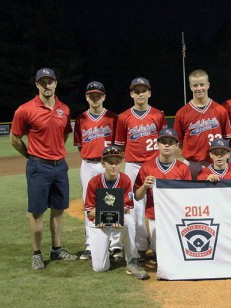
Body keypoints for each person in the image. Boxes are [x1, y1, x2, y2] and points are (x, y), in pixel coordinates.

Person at [10, 67, 77, 270]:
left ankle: (56, 249)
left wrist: (56, 151)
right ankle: (36, 253)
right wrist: (32, 156)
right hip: (38, 166)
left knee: (58, 210)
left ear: (56, 83)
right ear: (37, 84)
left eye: (50, 81)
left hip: (60, 166)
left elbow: (64, 134)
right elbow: (15, 139)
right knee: (37, 212)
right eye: (43, 82)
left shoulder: (64, 109)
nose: (47, 85)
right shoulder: (25, 109)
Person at [114, 77, 167, 260]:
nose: (140, 94)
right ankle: (140, 246)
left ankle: (158, 242)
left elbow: (164, 141)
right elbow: (120, 145)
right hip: (133, 165)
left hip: (154, 164)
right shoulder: (123, 117)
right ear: (131, 94)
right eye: (136, 91)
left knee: (157, 204)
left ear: (149, 93)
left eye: (143, 90)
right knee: (135, 206)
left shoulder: (158, 115)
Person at [84, 146, 149, 280]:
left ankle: (132, 260)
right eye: (110, 162)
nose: (114, 166)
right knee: (100, 268)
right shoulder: (94, 182)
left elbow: (126, 208)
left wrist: (114, 217)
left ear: (122, 163)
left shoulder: (125, 180)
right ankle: (103, 250)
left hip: (117, 220)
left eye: (117, 162)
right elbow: (89, 212)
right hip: (98, 223)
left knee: (129, 221)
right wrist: (102, 217)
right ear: (103, 163)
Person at [73, 81, 120, 261]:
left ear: (104, 97)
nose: (95, 98)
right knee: (89, 204)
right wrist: (89, 158)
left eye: (98, 95)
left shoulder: (113, 118)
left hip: (108, 164)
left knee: (112, 202)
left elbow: (119, 144)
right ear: (86, 97)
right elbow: (80, 146)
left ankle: (115, 245)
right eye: (91, 95)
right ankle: (90, 246)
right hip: (88, 165)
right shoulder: (80, 119)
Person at [134, 128, 192, 260]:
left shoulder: (183, 168)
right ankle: (152, 244)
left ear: (177, 146)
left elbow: (188, 196)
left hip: (176, 218)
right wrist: (144, 186)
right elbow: (137, 196)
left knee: (178, 254)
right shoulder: (147, 167)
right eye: (163, 142)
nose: (166, 145)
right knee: (161, 256)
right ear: (157, 144)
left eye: (171, 142)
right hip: (156, 217)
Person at [174, 69, 231, 179]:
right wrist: (192, 152)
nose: (199, 88)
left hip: (214, 162)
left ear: (208, 85)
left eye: (202, 84)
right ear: (190, 87)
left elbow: (226, 138)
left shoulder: (220, 110)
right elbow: (179, 142)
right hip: (191, 163)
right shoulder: (182, 113)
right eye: (195, 85)